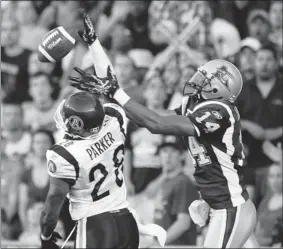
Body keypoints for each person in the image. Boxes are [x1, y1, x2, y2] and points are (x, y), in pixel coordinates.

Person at [69, 15, 259, 248]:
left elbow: (158, 123)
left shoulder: (220, 110)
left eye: (204, 78)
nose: (195, 78)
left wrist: (117, 92)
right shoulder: (194, 106)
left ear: (218, 88)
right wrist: (97, 50)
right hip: (220, 206)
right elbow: (146, 119)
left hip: (232, 207)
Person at [40, 12, 167, 249]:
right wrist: (94, 43)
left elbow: (53, 202)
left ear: (76, 124)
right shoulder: (114, 119)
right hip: (127, 221)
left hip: (97, 226)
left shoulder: (64, 154)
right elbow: (110, 84)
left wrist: (46, 236)